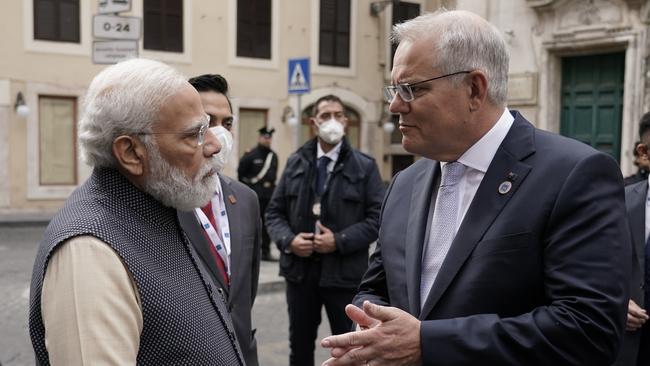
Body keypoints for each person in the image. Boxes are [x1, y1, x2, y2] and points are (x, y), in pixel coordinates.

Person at [320, 10, 630, 366]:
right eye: (394, 89)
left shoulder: (575, 174)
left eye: (412, 88)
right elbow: (376, 288)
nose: (395, 106)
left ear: (474, 88)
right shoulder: (404, 183)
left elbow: (589, 330)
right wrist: (371, 326)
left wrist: (427, 343)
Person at [28, 59, 245, 365]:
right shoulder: (90, 251)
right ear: (131, 153)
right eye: (194, 134)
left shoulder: (161, 202)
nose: (214, 145)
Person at [266, 94, 385, 366]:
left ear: (346, 120)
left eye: (339, 115)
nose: (333, 121)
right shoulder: (296, 161)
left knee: (350, 350)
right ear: (313, 122)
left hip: (344, 277)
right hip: (300, 275)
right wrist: (289, 240)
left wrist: (339, 241)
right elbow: (274, 212)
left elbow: (377, 218)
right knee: (300, 347)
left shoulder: (365, 166)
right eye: (325, 116)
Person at [178, 73, 262, 366]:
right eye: (207, 121)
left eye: (227, 123)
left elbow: (245, 290)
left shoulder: (246, 199)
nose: (220, 133)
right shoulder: (163, 197)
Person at [616, 112, 650, 366]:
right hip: (626, 348)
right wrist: (615, 302)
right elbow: (593, 268)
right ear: (644, 153)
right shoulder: (620, 201)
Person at [238, 126, 279, 261]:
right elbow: (241, 175)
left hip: (268, 196)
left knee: (267, 225)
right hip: (254, 196)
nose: (267, 140)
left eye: (269, 138)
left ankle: (266, 252)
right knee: (252, 225)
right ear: (260, 138)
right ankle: (250, 253)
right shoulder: (251, 155)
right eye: (265, 137)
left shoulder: (273, 156)